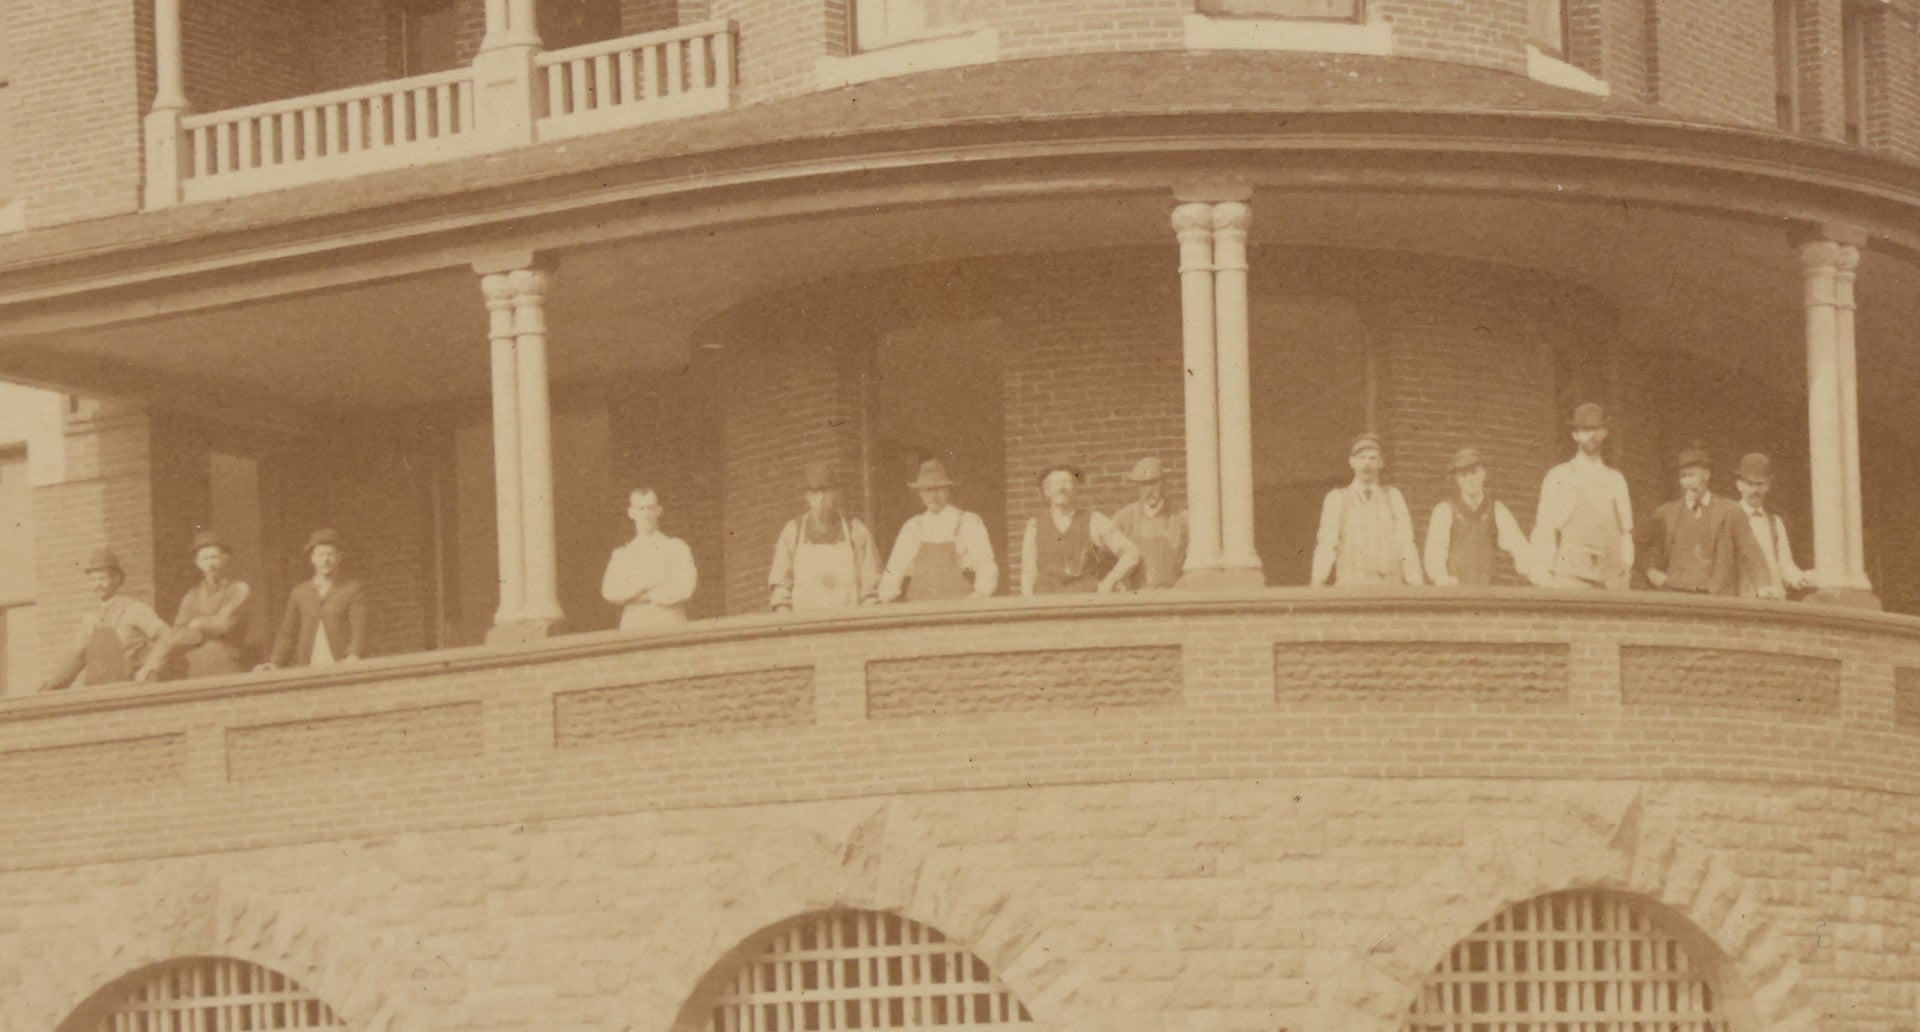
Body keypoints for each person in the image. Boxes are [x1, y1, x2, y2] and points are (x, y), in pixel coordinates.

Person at [1529, 403, 1634, 589]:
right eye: (1585, 430)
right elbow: (1545, 529)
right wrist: (1543, 573)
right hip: (1572, 579)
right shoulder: (1560, 476)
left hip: (1611, 583)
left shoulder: (1616, 480)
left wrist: (1625, 570)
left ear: (1605, 433)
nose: (1592, 436)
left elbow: (1625, 532)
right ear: (1575, 435)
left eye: (1597, 429)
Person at [41, 547, 171, 690]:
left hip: (129, 691)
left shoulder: (135, 609)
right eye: (93, 580)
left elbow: (166, 635)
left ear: (116, 578)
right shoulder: (90, 620)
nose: (97, 585)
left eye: (102, 578)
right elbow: (76, 658)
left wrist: (149, 670)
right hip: (97, 694)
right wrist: (52, 685)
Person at [877, 459, 999, 602]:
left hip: (958, 608)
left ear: (948, 490)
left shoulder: (968, 522)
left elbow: (985, 563)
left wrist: (980, 594)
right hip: (920, 608)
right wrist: (885, 596)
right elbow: (895, 567)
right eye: (927, 490)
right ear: (920, 493)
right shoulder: (913, 527)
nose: (933, 496)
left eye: (938, 489)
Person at [768, 462, 882, 612]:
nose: (820, 498)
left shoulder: (856, 531)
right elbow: (781, 588)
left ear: (836, 493)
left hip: (849, 626)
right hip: (806, 627)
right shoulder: (792, 532)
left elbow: (871, 590)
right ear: (807, 496)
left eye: (826, 491)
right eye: (815, 492)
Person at [1311, 435, 1423, 586]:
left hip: (1389, 587)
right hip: (1351, 587)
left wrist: (1416, 581)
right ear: (1352, 462)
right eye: (1362, 458)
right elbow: (1326, 544)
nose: (1366, 464)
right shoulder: (1337, 498)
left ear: (1381, 463)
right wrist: (1317, 580)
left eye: (1372, 458)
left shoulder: (1393, 497)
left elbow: (1406, 542)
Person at [1641, 449, 1755, 596]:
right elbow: (1644, 549)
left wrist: (1765, 586)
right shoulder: (1665, 513)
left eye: (1692, 475)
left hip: (1714, 598)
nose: (1687, 483)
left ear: (1706, 476)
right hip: (1674, 596)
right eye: (1683, 476)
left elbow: (1751, 551)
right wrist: (1651, 571)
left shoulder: (1730, 511)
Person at [1020, 463, 1140, 595]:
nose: (1062, 488)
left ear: (1076, 489)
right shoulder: (1035, 525)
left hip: (1084, 604)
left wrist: (1108, 583)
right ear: (1047, 491)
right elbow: (1028, 572)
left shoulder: (1094, 520)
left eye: (1067, 482)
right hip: (1047, 604)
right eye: (1056, 483)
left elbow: (1131, 552)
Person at [149, 529, 253, 680]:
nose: (210, 564)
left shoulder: (239, 589)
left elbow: (223, 625)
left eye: (214, 557)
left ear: (225, 558)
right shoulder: (191, 597)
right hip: (195, 667)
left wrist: (197, 623)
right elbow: (177, 634)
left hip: (227, 665)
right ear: (198, 563)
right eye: (205, 559)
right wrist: (205, 627)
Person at [259, 529, 368, 670]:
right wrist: (275, 662)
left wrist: (354, 654)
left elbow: (359, 627)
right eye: (321, 554)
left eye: (331, 554)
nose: (326, 560)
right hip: (310, 664)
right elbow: (288, 633)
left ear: (339, 558)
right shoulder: (300, 593)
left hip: (342, 663)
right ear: (313, 558)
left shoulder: (352, 590)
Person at [1423, 448, 1532, 587]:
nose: (1470, 480)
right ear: (1456, 479)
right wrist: (1442, 579)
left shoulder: (1497, 510)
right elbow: (1434, 557)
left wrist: (1539, 575)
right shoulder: (1445, 511)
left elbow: (1521, 548)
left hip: (1488, 593)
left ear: (1483, 473)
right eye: (1463, 475)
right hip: (1455, 593)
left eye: (1474, 473)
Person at [601, 486, 698, 629]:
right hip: (634, 626)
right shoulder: (622, 555)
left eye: (650, 508)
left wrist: (639, 595)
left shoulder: (676, 548)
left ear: (659, 510)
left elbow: (685, 588)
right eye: (641, 509)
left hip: (669, 623)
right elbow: (611, 591)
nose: (646, 514)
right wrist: (646, 585)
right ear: (631, 513)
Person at [1731, 453, 1814, 599]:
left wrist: (1798, 578)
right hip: (1742, 599)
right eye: (1750, 484)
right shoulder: (1729, 518)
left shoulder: (1775, 522)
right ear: (1739, 485)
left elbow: (1784, 563)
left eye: (1760, 484)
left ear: (1768, 486)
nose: (1755, 490)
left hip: (1774, 598)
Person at [1110, 456, 1188, 590]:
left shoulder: (1182, 518)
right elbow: (1104, 559)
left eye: (1153, 483)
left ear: (1164, 482)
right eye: (1143, 485)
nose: (1148, 490)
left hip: (1173, 596)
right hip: (1136, 598)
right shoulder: (1124, 518)